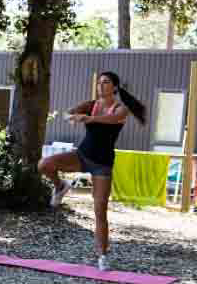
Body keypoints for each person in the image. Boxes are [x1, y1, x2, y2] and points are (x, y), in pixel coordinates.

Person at [37, 71, 147, 271]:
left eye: (105, 82)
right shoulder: (92, 104)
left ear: (114, 87)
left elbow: (111, 120)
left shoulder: (121, 108)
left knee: (99, 212)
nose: (101, 86)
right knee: (44, 164)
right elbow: (67, 113)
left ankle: (103, 256)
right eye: (99, 83)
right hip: (82, 156)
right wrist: (73, 114)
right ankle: (60, 186)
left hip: (102, 164)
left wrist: (88, 119)